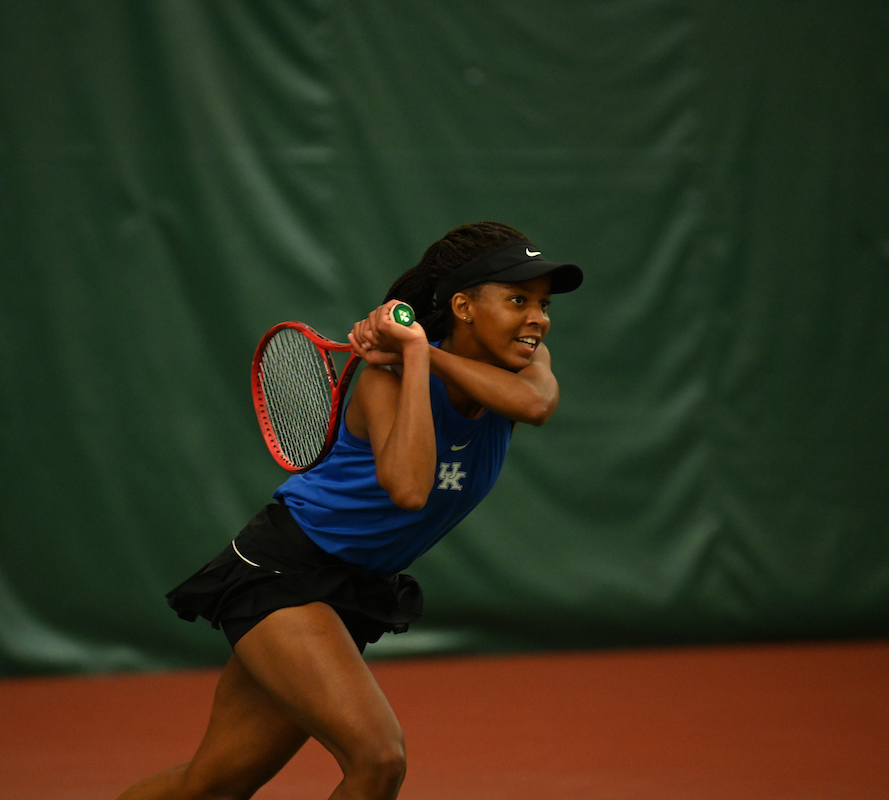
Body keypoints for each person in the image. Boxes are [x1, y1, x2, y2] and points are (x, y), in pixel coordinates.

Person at [117, 221, 582, 800]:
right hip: (285, 571)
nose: (537, 318)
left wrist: (424, 355)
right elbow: (409, 489)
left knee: (211, 785)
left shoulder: (521, 365)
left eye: (543, 303)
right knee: (378, 758)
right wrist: (412, 359)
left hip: (355, 588)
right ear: (463, 306)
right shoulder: (383, 380)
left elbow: (536, 404)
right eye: (518, 300)